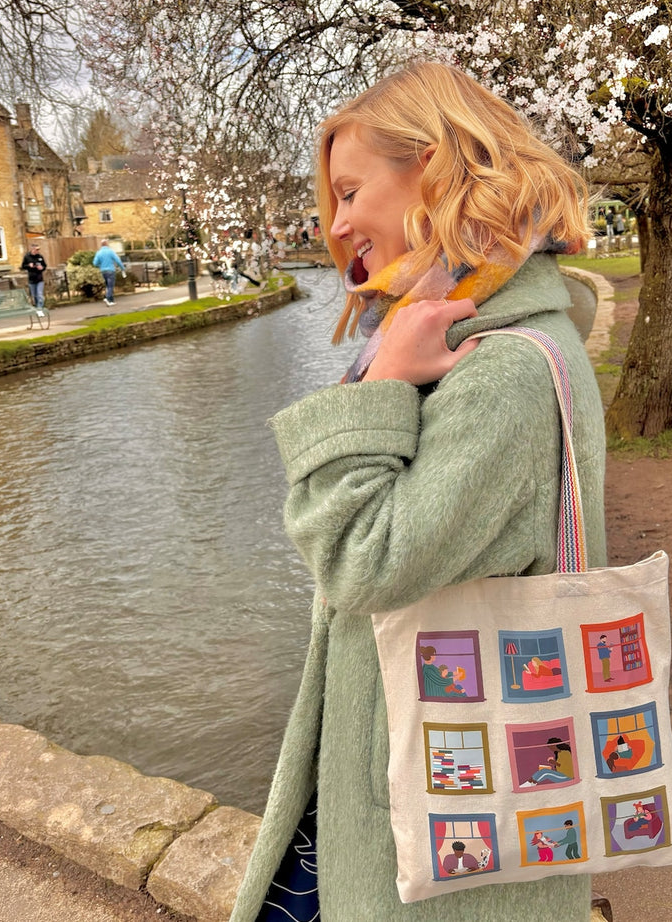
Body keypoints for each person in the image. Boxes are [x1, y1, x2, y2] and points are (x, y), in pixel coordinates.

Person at [230, 61, 606, 922]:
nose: (335, 224)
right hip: (415, 778)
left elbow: (360, 563)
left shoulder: (501, 373)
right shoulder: (484, 337)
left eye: (350, 191)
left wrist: (379, 388)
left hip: (431, 822)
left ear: (434, 169)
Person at [92, 239, 124, 306]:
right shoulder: (110, 251)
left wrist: (100, 265)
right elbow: (118, 260)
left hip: (103, 271)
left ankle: (111, 301)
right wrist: (122, 268)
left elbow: (95, 263)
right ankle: (108, 298)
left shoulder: (99, 252)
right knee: (110, 286)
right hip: (110, 270)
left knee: (108, 285)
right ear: (107, 244)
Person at [20, 243, 47, 309]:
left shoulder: (40, 257)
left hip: (39, 279)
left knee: (39, 294)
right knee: (34, 295)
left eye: (38, 249)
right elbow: (22, 267)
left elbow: (44, 266)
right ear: (32, 249)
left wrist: (42, 268)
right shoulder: (27, 256)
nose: (37, 251)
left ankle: (40, 307)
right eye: (36, 249)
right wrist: (29, 265)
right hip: (32, 279)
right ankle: (37, 307)